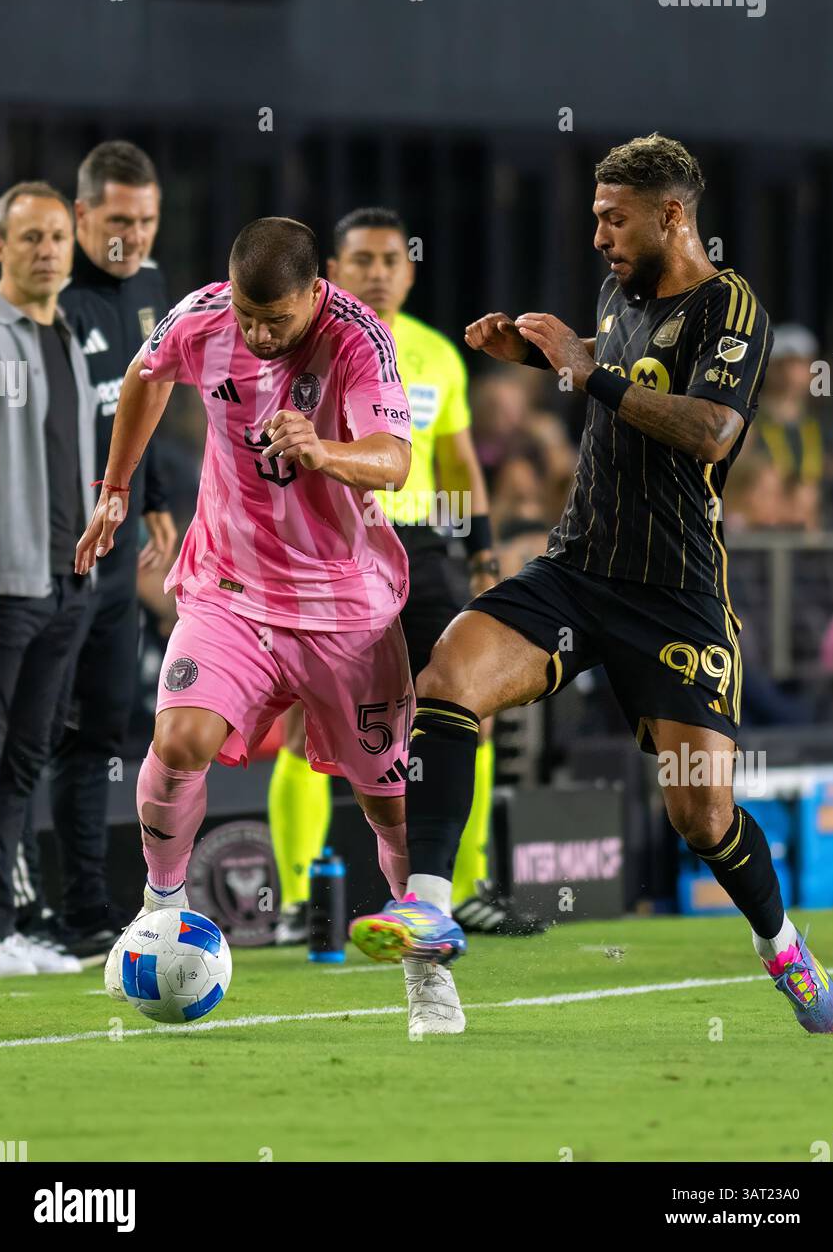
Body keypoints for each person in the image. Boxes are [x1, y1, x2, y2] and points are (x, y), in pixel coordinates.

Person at [351, 132, 833, 1040]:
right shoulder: (621, 290)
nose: (598, 237)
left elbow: (706, 427)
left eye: (614, 219)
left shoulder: (732, 307)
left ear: (672, 215)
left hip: (675, 593)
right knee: (451, 672)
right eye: (593, 218)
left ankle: (780, 945)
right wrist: (544, 353)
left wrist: (592, 375)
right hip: (578, 567)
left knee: (703, 816)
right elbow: (619, 361)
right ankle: (428, 910)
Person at [76, 216, 465, 1036]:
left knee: (390, 805)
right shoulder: (204, 317)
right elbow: (148, 375)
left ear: (315, 291)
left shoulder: (358, 339)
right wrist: (115, 487)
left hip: (345, 612)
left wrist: (326, 451)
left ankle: (427, 975)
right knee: (177, 741)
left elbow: (394, 460)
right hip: (231, 589)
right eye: (248, 318)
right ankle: (159, 911)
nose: (257, 335)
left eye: (276, 321)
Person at [268, 206, 541, 950]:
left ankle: (467, 886)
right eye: (363, 260)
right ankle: (298, 899)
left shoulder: (436, 356)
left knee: (470, 704)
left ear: (410, 270)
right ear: (334, 272)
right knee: (302, 721)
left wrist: (482, 554)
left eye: (393, 259)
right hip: (331, 544)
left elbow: (458, 465)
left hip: (418, 547)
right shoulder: (309, 344)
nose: (379, 273)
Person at [43, 141, 176, 956]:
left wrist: (154, 494)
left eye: (148, 220)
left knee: (100, 733)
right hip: (51, 549)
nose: (133, 236)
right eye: (119, 220)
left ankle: (86, 913)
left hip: (118, 552)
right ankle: (11, 903)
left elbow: (149, 396)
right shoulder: (44, 293)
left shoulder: (153, 285)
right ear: (82, 214)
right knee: (23, 737)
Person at [0, 182, 96, 977]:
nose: (47, 250)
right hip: (4, 581)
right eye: (29, 238)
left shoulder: (70, 334)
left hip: (65, 580)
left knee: (25, 758)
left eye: (58, 236)